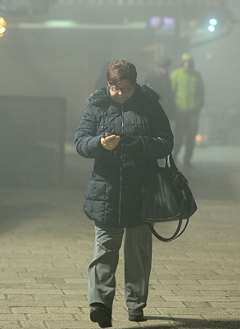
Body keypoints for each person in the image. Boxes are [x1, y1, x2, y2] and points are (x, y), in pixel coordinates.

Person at [74, 60, 174, 328]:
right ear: (108, 84)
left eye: (126, 89)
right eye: (114, 88)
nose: (119, 93)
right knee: (104, 249)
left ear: (135, 84)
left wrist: (136, 144)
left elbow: (166, 142)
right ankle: (100, 304)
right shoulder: (97, 105)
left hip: (142, 189)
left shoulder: (149, 105)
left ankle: (135, 304)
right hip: (106, 190)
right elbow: (80, 142)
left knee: (138, 252)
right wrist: (100, 144)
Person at [169, 52, 204, 168]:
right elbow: (171, 93)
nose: (187, 64)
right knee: (179, 135)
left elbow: (201, 93)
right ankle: (175, 156)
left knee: (191, 136)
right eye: (185, 62)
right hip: (180, 111)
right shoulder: (175, 75)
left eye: (189, 62)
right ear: (182, 63)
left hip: (193, 111)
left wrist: (199, 106)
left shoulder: (196, 76)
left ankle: (187, 159)